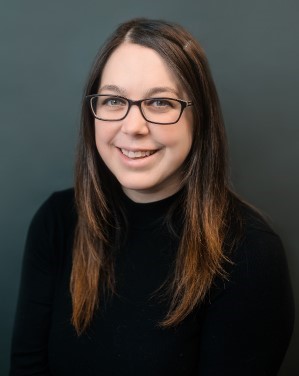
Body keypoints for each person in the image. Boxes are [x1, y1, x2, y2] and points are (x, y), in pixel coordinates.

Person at [10, 18, 294, 376]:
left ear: (199, 118)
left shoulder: (250, 253)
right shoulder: (58, 220)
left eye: (160, 102)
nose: (133, 126)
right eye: (114, 100)